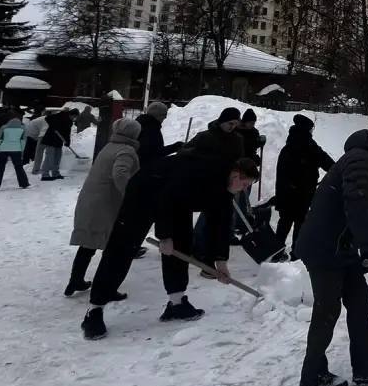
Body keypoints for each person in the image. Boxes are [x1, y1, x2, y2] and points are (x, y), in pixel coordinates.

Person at [81, 154, 260, 340]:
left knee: (182, 245)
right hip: (147, 189)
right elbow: (166, 197)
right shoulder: (205, 172)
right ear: (236, 175)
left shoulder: (225, 189)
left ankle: (176, 303)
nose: (244, 189)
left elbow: (220, 224)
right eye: (245, 184)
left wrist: (221, 260)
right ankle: (94, 311)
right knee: (123, 247)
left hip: (178, 202)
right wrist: (164, 235)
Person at [294, 118, 368, 386]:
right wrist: (367, 249)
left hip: (341, 248)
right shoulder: (360, 159)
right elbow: (355, 202)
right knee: (327, 311)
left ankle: (365, 369)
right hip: (324, 247)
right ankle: (312, 374)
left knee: (359, 301)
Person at [65, 118, 141, 297]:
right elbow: (120, 174)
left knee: (88, 244)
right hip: (106, 205)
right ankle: (108, 288)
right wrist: (131, 196)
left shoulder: (110, 146)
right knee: (114, 248)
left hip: (91, 200)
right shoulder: (126, 150)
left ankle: (75, 280)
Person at [270, 113, 334, 259]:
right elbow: (329, 165)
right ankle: (297, 254)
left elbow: (280, 176)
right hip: (304, 194)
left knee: (284, 222)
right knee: (301, 223)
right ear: (307, 130)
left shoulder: (287, 148)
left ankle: (276, 252)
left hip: (287, 194)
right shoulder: (311, 147)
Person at [189, 108, 245, 268]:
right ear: (222, 121)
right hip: (206, 184)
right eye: (230, 123)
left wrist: (239, 174)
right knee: (209, 219)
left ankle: (211, 257)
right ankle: (200, 251)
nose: (232, 126)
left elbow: (239, 160)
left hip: (226, 186)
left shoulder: (237, 139)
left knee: (221, 222)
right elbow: (186, 152)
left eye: (235, 124)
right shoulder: (205, 137)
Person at [0, 111, 30, 192]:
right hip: (16, 150)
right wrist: (22, 151)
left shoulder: (4, 127)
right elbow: (23, 141)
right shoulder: (23, 128)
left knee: (0, 169)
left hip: (2, 150)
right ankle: (24, 183)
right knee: (19, 168)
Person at [136, 101, 182, 169]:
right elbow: (154, 153)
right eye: (164, 115)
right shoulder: (151, 129)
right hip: (145, 169)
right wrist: (176, 147)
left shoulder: (142, 123)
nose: (165, 118)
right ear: (158, 115)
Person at [40, 107, 78, 182]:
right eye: (74, 116)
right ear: (71, 114)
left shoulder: (69, 121)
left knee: (57, 157)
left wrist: (67, 141)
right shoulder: (60, 116)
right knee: (49, 157)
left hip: (59, 141)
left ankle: (55, 173)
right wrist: (54, 126)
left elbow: (67, 133)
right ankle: (45, 174)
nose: (74, 118)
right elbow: (47, 118)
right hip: (51, 139)